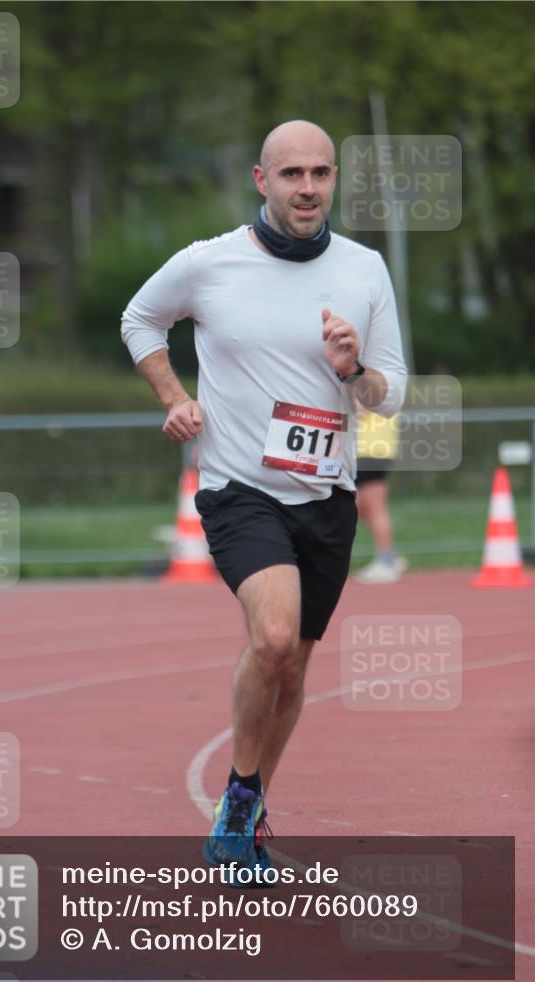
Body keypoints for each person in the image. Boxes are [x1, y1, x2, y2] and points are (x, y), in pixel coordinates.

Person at [121, 120, 407, 877]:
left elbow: (390, 392)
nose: (306, 188)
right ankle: (240, 803)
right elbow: (139, 318)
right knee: (274, 639)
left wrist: (353, 372)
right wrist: (175, 396)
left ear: (333, 178)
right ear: (261, 180)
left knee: (296, 664)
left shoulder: (363, 268)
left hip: (327, 496)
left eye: (319, 173)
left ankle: (243, 814)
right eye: (290, 175)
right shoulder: (209, 263)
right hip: (238, 489)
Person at [354, 408, 408, 583]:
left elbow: (357, 408)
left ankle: (386, 562)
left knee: (375, 508)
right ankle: (390, 555)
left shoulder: (370, 383)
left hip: (369, 449)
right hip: (373, 449)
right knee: (360, 508)